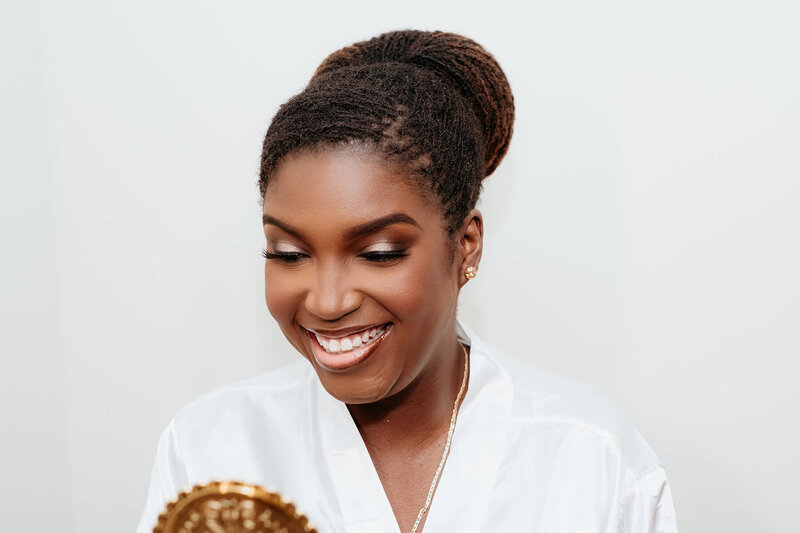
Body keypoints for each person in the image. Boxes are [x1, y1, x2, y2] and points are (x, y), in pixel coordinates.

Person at [137, 30, 678, 532]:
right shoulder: (209, 450)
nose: (327, 301)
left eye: (379, 253)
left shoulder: (594, 463)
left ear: (466, 245)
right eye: (289, 254)